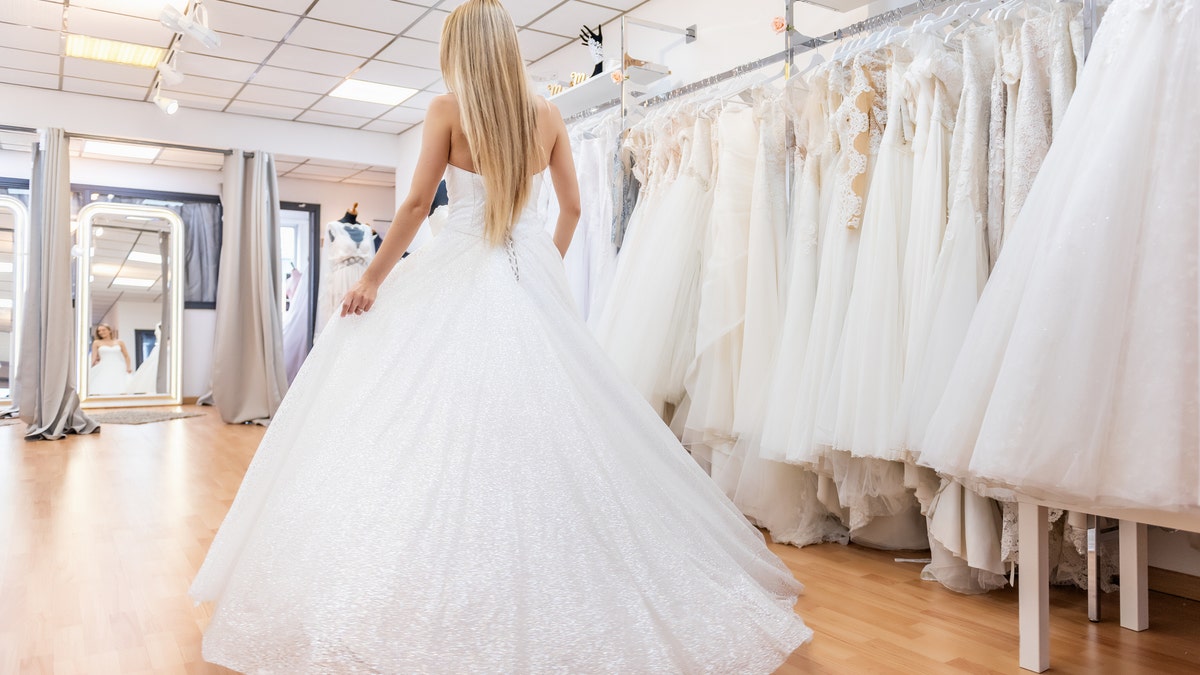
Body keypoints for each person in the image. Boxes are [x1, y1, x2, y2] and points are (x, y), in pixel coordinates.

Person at [189, 1, 812, 672]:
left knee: (425, 423)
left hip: (457, 267)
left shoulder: (447, 111)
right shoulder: (546, 114)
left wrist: (372, 277)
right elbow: (571, 208)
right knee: (547, 433)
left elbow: (412, 204)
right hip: (523, 273)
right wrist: (540, 260)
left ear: (459, 49)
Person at [88, 323, 131, 395]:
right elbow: (94, 357)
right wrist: (90, 368)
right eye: (99, 331)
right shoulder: (97, 343)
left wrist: (128, 367)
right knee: (104, 385)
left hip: (119, 366)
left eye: (103, 330)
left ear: (109, 331)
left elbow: (126, 356)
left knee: (120, 385)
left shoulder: (120, 342)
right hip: (104, 366)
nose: (101, 332)